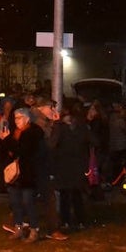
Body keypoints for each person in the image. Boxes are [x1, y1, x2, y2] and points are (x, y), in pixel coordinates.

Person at [0, 107, 44, 241]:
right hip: (14, 174)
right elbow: (7, 151)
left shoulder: (33, 132)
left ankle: (34, 229)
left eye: (19, 118)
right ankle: (18, 227)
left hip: (27, 174)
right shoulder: (15, 132)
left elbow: (23, 151)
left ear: (27, 118)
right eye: (15, 118)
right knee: (15, 201)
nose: (16, 120)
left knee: (28, 202)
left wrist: (7, 141)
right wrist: (4, 141)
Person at [47, 101, 90, 236]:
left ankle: (68, 221)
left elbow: (51, 145)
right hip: (74, 166)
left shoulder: (61, 128)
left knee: (67, 195)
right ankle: (79, 221)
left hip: (65, 166)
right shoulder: (81, 128)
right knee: (75, 194)